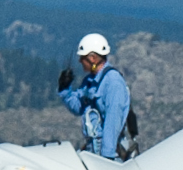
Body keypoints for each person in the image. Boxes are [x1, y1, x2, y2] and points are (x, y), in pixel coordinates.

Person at [55, 32, 134, 160]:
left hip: (110, 153)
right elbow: (78, 107)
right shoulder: (89, 81)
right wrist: (65, 89)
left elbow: (112, 121)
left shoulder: (113, 82)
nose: (80, 61)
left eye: (83, 57)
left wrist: (106, 158)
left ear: (92, 58)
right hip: (93, 149)